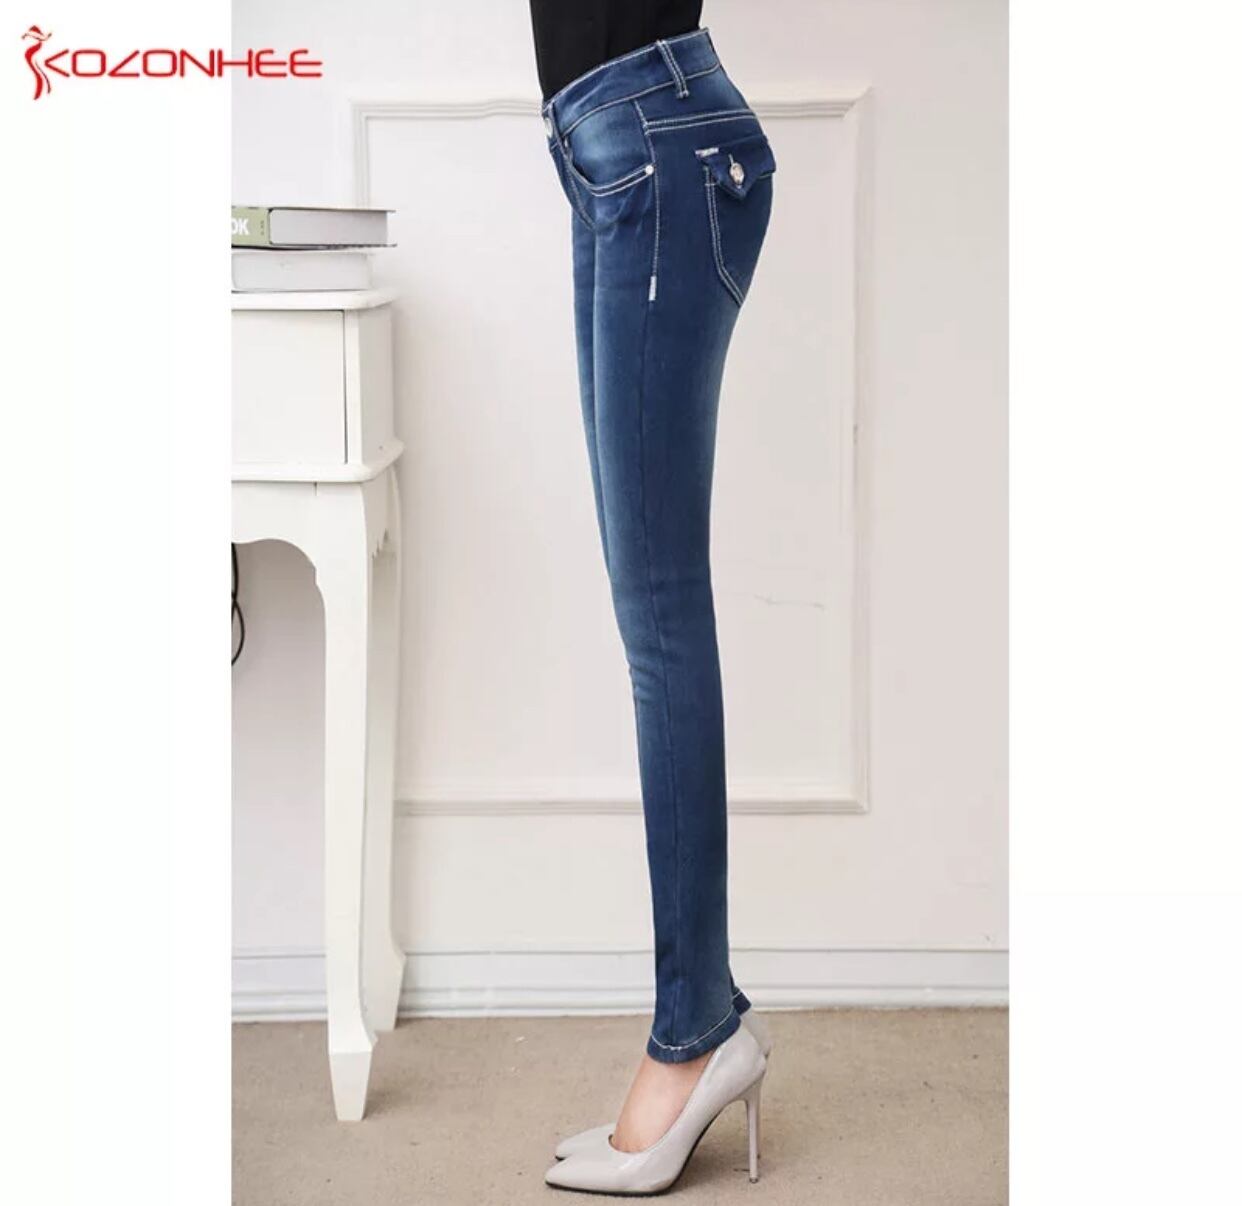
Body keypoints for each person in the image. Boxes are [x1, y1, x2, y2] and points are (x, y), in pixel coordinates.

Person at [530, 4, 777, 1194]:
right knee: (653, 609)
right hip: (616, 147)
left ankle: (695, 1036)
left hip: (655, 141)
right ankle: (698, 1020)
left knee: (662, 616)